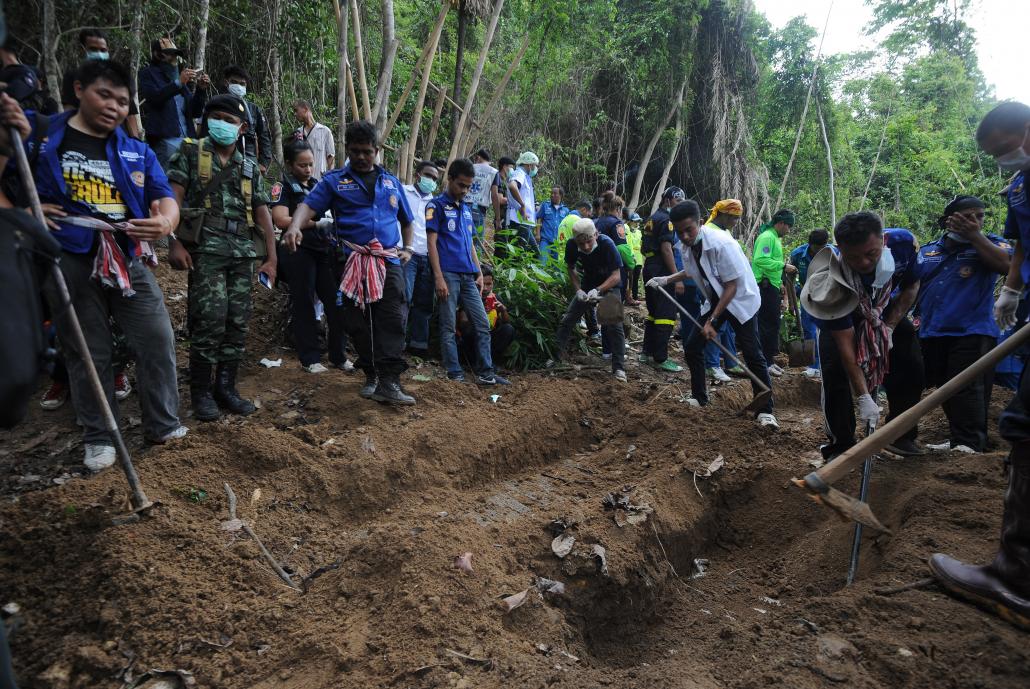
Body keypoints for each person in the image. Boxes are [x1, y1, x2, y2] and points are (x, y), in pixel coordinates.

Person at [1, 60, 185, 471]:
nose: (114, 107)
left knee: (156, 336)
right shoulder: (40, 133)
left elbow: (164, 195)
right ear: (79, 89)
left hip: (126, 254)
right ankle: (100, 436)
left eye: (122, 102)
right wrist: (21, 214)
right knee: (87, 349)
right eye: (105, 95)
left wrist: (165, 222)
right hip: (67, 253)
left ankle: (164, 425)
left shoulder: (135, 149)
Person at [929, 100, 1030, 631]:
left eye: (1005, 148)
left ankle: (1016, 579)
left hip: (975, 331)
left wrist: (981, 247)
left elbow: (1002, 251)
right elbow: (1019, 252)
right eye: (994, 155)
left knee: (1014, 421)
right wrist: (1013, 288)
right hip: (955, 328)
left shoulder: (983, 235)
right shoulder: (1018, 187)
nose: (1003, 160)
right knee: (978, 403)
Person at [283, 120, 416, 405]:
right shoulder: (334, 181)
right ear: (348, 150)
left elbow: (407, 220)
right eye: (355, 151)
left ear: (377, 151)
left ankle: (390, 381)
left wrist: (407, 248)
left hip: (388, 260)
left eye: (367, 151)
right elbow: (308, 206)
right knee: (355, 320)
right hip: (349, 259)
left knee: (392, 316)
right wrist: (295, 226)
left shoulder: (391, 182)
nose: (361, 157)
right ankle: (371, 373)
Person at [167, 94, 278, 421]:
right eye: (216, 117)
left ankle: (226, 387)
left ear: (242, 127)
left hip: (242, 252)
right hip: (207, 250)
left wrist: (272, 259)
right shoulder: (190, 151)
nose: (222, 124)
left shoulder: (248, 165)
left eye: (230, 121)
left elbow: (263, 214)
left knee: (237, 322)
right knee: (209, 319)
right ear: (205, 120)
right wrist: (172, 242)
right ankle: (201, 391)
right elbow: (172, 198)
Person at [800, 212, 924, 459]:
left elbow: (912, 286)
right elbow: (847, 347)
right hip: (843, 312)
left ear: (883, 240)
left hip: (885, 308)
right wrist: (865, 397)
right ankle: (841, 445)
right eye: (854, 257)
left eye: (871, 254)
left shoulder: (904, 244)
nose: (865, 263)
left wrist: (889, 327)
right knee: (835, 373)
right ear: (840, 249)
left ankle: (900, 434)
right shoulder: (829, 283)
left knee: (912, 365)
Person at [648, 201, 778, 428]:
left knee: (752, 352)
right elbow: (691, 271)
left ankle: (766, 410)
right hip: (717, 298)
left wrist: (712, 322)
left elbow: (732, 287)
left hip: (740, 300)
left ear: (699, 223)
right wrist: (667, 280)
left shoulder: (721, 244)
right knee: (692, 346)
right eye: (679, 232)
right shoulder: (687, 245)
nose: (685, 236)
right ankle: (699, 397)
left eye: (689, 229)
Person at [916, 195, 1011, 452]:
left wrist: (975, 236)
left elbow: (1008, 266)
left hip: (973, 331)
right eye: (968, 216)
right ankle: (959, 438)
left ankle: (971, 442)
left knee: (967, 387)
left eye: (979, 216)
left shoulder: (991, 244)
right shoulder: (928, 251)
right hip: (932, 331)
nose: (976, 221)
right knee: (945, 386)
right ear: (949, 220)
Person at [426, 158, 509, 386]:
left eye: (468, 186)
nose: (465, 190)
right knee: (448, 324)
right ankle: (454, 373)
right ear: (450, 179)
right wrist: (439, 277)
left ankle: (486, 372)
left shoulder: (466, 209)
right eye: (461, 185)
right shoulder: (436, 206)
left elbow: (470, 242)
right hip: (448, 274)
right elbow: (431, 244)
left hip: (468, 275)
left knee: (482, 323)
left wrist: (478, 271)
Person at [270, 140, 350, 373]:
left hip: (323, 250)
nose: (307, 169)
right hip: (298, 250)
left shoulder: (318, 185)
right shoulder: (283, 186)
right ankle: (310, 358)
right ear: (289, 164)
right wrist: (315, 223)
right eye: (302, 165)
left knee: (336, 303)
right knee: (304, 302)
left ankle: (338, 355)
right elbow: (281, 219)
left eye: (310, 164)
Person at [555, 218, 626, 381]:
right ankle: (555, 357)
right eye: (581, 244)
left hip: (609, 285)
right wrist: (578, 290)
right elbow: (571, 268)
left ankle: (619, 368)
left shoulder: (607, 244)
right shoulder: (572, 245)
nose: (586, 247)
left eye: (589, 241)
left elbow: (616, 276)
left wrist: (599, 289)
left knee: (614, 325)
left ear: (596, 234)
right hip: (588, 283)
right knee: (568, 318)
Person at [138, 38, 209, 169]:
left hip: (189, 141)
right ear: (157, 54)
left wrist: (201, 90)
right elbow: (154, 98)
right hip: (165, 141)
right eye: (170, 53)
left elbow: (195, 112)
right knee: (165, 183)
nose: (174, 58)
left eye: (176, 54)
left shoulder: (179, 81)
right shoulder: (148, 73)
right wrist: (178, 83)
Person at [61, 30, 142, 139]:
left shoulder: (119, 77)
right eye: (93, 49)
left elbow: (131, 115)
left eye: (103, 50)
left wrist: (135, 141)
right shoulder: (74, 76)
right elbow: (69, 110)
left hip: (118, 140)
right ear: (82, 49)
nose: (99, 53)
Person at [641, 187, 687, 371]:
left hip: (650, 265)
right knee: (666, 314)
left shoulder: (653, 218)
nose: (679, 206)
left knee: (653, 312)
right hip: (661, 267)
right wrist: (676, 278)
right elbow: (666, 249)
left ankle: (646, 352)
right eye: (677, 202)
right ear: (668, 201)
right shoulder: (667, 220)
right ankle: (660, 358)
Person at [752, 209, 796, 376]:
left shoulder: (774, 238)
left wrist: (780, 283)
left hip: (772, 285)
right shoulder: (767, 237)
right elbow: (760, 260)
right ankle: (765, 362)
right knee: (767, 324)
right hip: (764, 286)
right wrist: (783, 266)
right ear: (781, 223)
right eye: (788, 226)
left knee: (772, 323)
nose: (789, 230)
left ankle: (769, 360)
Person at [402, 160, 440, 357]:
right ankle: (397, 342)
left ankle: (418, 345)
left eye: (434, 178)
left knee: (424, 303)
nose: (431, 181)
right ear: (417, 174)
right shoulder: (403, 192)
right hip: (407, 254)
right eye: (428, 176)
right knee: (404, 298)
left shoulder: (436, 203)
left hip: (427, 256)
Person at [788, 228, 830, 378]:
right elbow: (790, 279)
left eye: (823, 247)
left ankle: (828, 364)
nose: (821, 251)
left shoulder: (833, 253)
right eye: (817, 248)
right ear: (810, 244)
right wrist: (791, 303)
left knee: (828, 331)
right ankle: (814, 365)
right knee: (809, 330)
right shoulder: (798, 254)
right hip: (807, 294)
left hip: (828, 295)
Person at [457, 264, 514, 366]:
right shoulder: (469, 297)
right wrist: (480, 314)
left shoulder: (496, 298)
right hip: (473, 337)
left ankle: (492, 362)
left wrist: (503, 310)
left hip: (490, 336)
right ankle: (475, 363)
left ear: (493, 283)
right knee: (469, 331)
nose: (485, 288)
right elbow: (463, 323)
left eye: (489, 284)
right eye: (483, 284)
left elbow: (506, 322)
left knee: (508, 329)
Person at [222, 65, 272, 173]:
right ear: (227, 83)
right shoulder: (217, 105)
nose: (238, 86)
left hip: (248, 156)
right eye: (234, 82)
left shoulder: (253, 109)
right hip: (222, 154)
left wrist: (264, 163)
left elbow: (264, 136)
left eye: (242, 84)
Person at [595, 191, 633, 303]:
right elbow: (621, 248)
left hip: (599, 268)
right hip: (614, 270)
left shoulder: (597, 222)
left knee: (602, 304)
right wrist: (631, 264)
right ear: (618, 208)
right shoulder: (616, 223)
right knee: (615, 306)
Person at [505, 151, 539, 252]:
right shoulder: (520, 173)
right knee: (521, 252)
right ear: (529, 165)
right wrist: (522, 205)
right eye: (534, 166)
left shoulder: (525, 176)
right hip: (519, 221)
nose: (535, 168)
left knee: (532, 253)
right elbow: (512, 186)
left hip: (523, 221)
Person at [292, 99, 334, 178]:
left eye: (296, 110)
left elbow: (331, 158)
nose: (295, 114)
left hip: (320, 180)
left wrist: (329, 178)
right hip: (303, 181)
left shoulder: (325, 131)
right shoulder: (298, 133)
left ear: (305, 109)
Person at [466, 148, 496, 249]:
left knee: (463, 236)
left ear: (478, 157)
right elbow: (495, 195)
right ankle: (476, 262)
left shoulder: (468, 167)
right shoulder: (493, 172)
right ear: (489, 161)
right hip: (480, 210)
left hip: (464, 206)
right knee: (477, 240)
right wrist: (498, 217)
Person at [538, 185, 570, 262]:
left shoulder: (566, 210)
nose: (552, 195)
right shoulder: (545, 205)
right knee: (542, 263)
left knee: (557, 267)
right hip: (545, 240)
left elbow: (566, 227)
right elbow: (539, 219)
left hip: (558, 243)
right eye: (551, 193)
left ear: (561, 195)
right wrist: (537, 234)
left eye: (555, 193)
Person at [556, 198, 591, 263]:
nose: (588, 217)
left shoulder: (565, 219)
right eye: (588, 215)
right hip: (571, 261)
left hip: (560, 260)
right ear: (584, 210)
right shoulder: (578, 221)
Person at [492, 155, 515, 237]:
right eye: (511, 167)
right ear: (505, 167)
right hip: (501, 217)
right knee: (501, 243)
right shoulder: (498, 178)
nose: (513, 170)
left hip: (506, 216)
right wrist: (514, 200)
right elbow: (500, 199)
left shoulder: (506, 180)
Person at [627, 212, 644, 301]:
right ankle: (628, 296)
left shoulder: (639, 232)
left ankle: (635, 296)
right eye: (635, 221)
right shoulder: (626, 231)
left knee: (636, 278)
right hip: (630, 257)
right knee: (630, 278)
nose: (637, 223)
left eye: (638, 221)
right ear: (630, 222)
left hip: (639, 257)